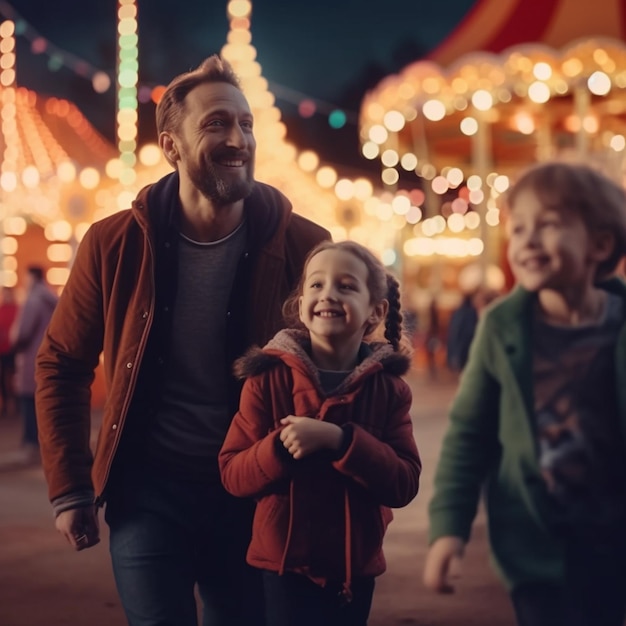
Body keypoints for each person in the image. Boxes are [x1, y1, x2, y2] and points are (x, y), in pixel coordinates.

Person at [35, 54, 330, 626]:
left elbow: (345, 365)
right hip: (149, 491)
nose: (238, 138)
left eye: (245, 124)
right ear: (171, 147)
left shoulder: (304, 246)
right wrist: (69, 488)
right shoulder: (113, 243)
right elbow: (63, 363)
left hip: (256, 490)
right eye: (216, 123)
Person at [422, 161, 626, 626]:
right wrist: (449, 529)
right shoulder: (502, 326)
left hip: (613, 538)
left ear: (600, 243)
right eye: (517, 230)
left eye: (549, 224)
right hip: (534, 540)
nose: (527, 241)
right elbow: (469, 433)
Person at [219, 240, 422, 626]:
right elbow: (232, 473)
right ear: (300, 306)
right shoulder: (266, 380)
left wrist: (341, 441)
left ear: (375, 311)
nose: (328, 293)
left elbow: (404, 482)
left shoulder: (389, 390)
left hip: (354, 568)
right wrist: (277, 448)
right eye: (316, 284)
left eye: (346, 286)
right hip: (284, 567)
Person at [11, 267, 57, 462]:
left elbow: (22, 333)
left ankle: (31, 443)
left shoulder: (33, 300)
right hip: (48, 355)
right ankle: (43, 443)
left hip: (30, 357)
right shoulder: (52, 300)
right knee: (43, 401)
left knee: (28, 400)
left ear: (32, 277)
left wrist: (13, 339)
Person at [445, 291, 478, 372]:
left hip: (460, 344)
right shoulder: (470, 313)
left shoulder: (459, 312)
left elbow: (455, 331)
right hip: (466, 344)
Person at [0, 285, 18, 417]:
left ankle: (15, 405)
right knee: (2, 378)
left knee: (12, 378)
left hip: (13, 349)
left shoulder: (18, 309)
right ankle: (6, 404)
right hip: (2, 349)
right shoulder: (1, 310)